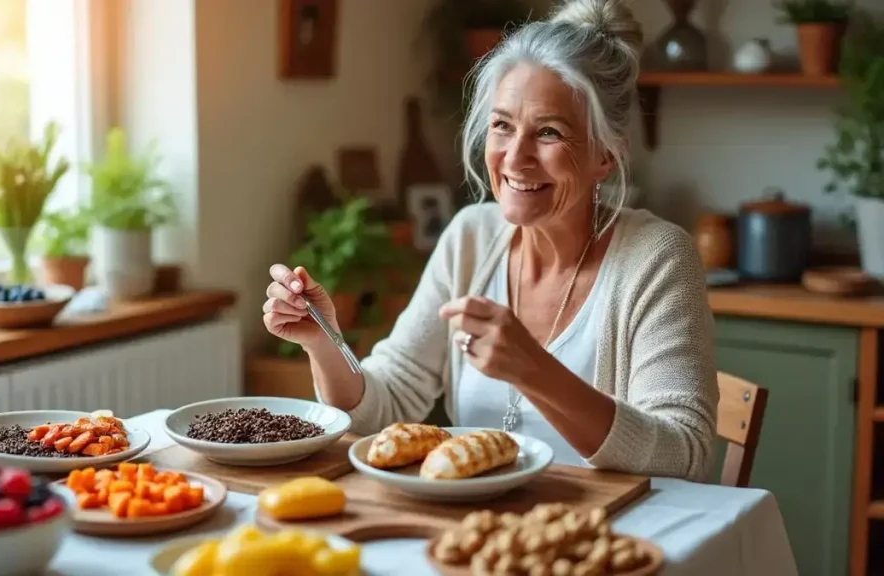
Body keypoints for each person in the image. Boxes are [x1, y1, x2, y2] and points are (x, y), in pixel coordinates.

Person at [262, 0, 718, 482]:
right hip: (477, 532)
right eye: (502, 125)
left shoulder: (658, 258)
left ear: (605, 155)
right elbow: (386, 402)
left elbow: (683, 453)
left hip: (608, 536)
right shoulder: (470, 238)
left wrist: (534, 370)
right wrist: (324, 340)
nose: (514, 158)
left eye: (548, 132)